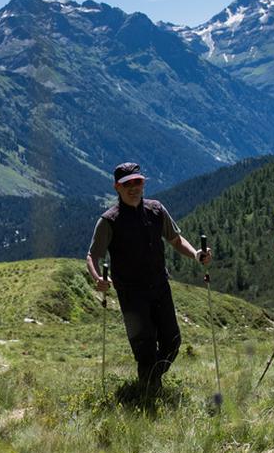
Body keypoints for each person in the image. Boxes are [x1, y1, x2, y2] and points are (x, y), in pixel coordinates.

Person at [87, 162, 210, 397]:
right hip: (131, 293)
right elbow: (93, 255)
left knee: (172, 341)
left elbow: (175, 239)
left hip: (159, 286)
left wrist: (196, 253)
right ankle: (149, 392)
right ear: (117, 187)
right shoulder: (109, 220)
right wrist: (97, 278)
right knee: (144, 346)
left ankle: (148, 381)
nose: (134, 188)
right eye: (127, 184)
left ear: (143, 183)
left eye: (138, 182)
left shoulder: (156, 210)